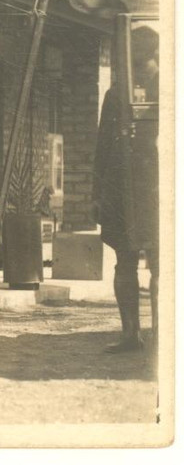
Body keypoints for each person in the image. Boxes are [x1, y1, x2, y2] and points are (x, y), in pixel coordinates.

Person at [94, 26, 159, 354]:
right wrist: (97, 194)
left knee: (161, 264)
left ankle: (161, 337)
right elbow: (103, 147)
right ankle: (131, 334)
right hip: (124, 189)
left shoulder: (172, 88)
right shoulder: (116, 94)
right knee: (126, 261)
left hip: (160, 187)